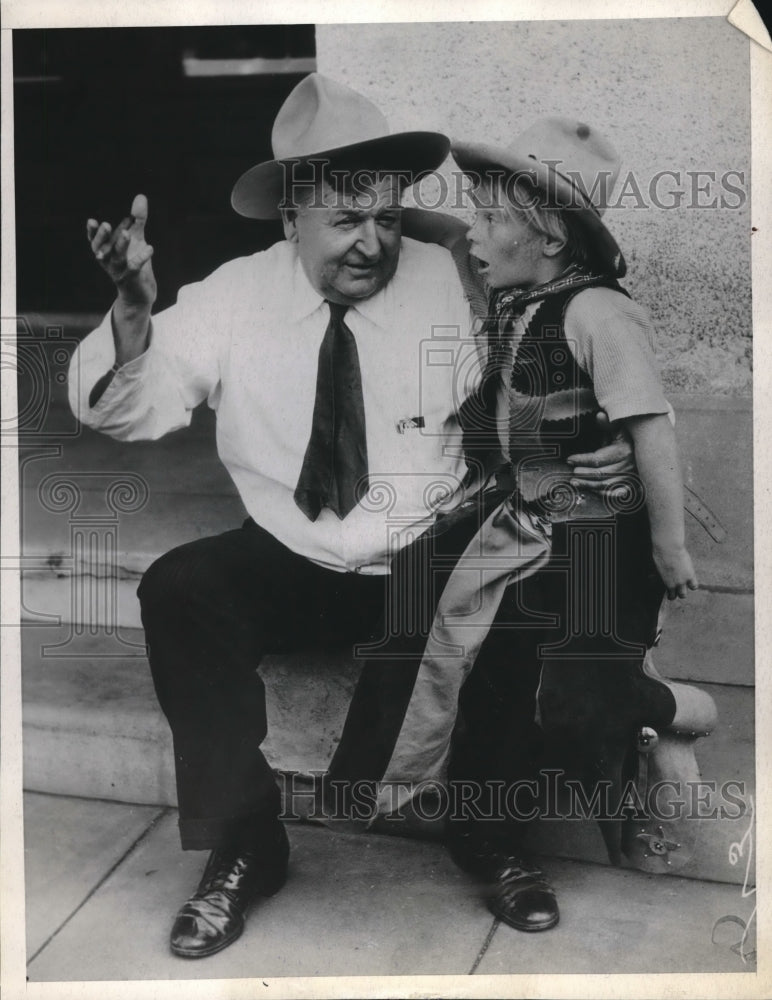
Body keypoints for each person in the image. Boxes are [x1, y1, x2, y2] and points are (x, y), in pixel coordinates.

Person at [69, 75, 633, 959]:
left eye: (387, 217)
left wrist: (606, 446)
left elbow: (559, 379)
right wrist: (134, 311)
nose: (372, 243)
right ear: (290, 215)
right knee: (179, 589)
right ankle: (246, 846)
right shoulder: (232, 296)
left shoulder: (458, 279)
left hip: (431, 561)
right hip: (294, 556)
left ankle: (487, 832)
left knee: (530, 604)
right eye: (344, 221)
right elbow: (127, 412)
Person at [326, 118, 698, 934]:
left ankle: (650, 717)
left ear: (553, 240)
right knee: (425, 600)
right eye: (477, 219)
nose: (472, 238)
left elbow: (652, 431)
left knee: (541, 673)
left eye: (491, 223)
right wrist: (377, 197)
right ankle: (406, 795)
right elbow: (444, 230)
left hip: (594, 546)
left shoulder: (599, 312)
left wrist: (670, 545)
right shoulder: (517, 290)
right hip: (515, 522)